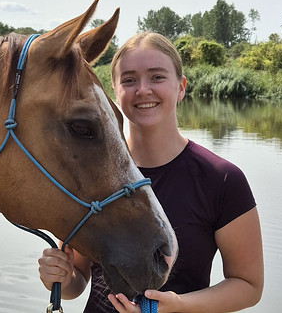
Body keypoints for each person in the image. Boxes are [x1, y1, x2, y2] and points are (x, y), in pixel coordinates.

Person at [38, 32, 264, 313]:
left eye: (157, 77)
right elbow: (78, 280)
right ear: (115, 90)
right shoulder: (89, 170)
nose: (142, 89)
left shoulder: (222, 179)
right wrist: (60, 278)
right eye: (129, 80)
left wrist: (177, 306)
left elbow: (248, 286)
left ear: (181, 87)